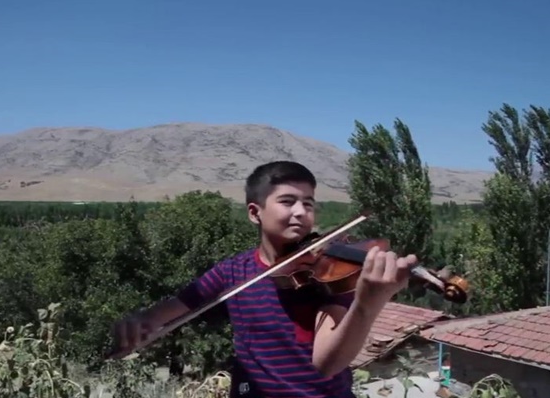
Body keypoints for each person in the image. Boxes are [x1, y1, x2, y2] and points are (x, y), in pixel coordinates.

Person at [109, 160, 416, 398]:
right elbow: (179, 305)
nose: (301, 212)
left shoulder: (327, 274)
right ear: (255, 213)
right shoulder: (232, 271)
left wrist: (367, 305)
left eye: (308, 203)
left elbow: (328, 364)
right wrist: (143, 321)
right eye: (288, 201)